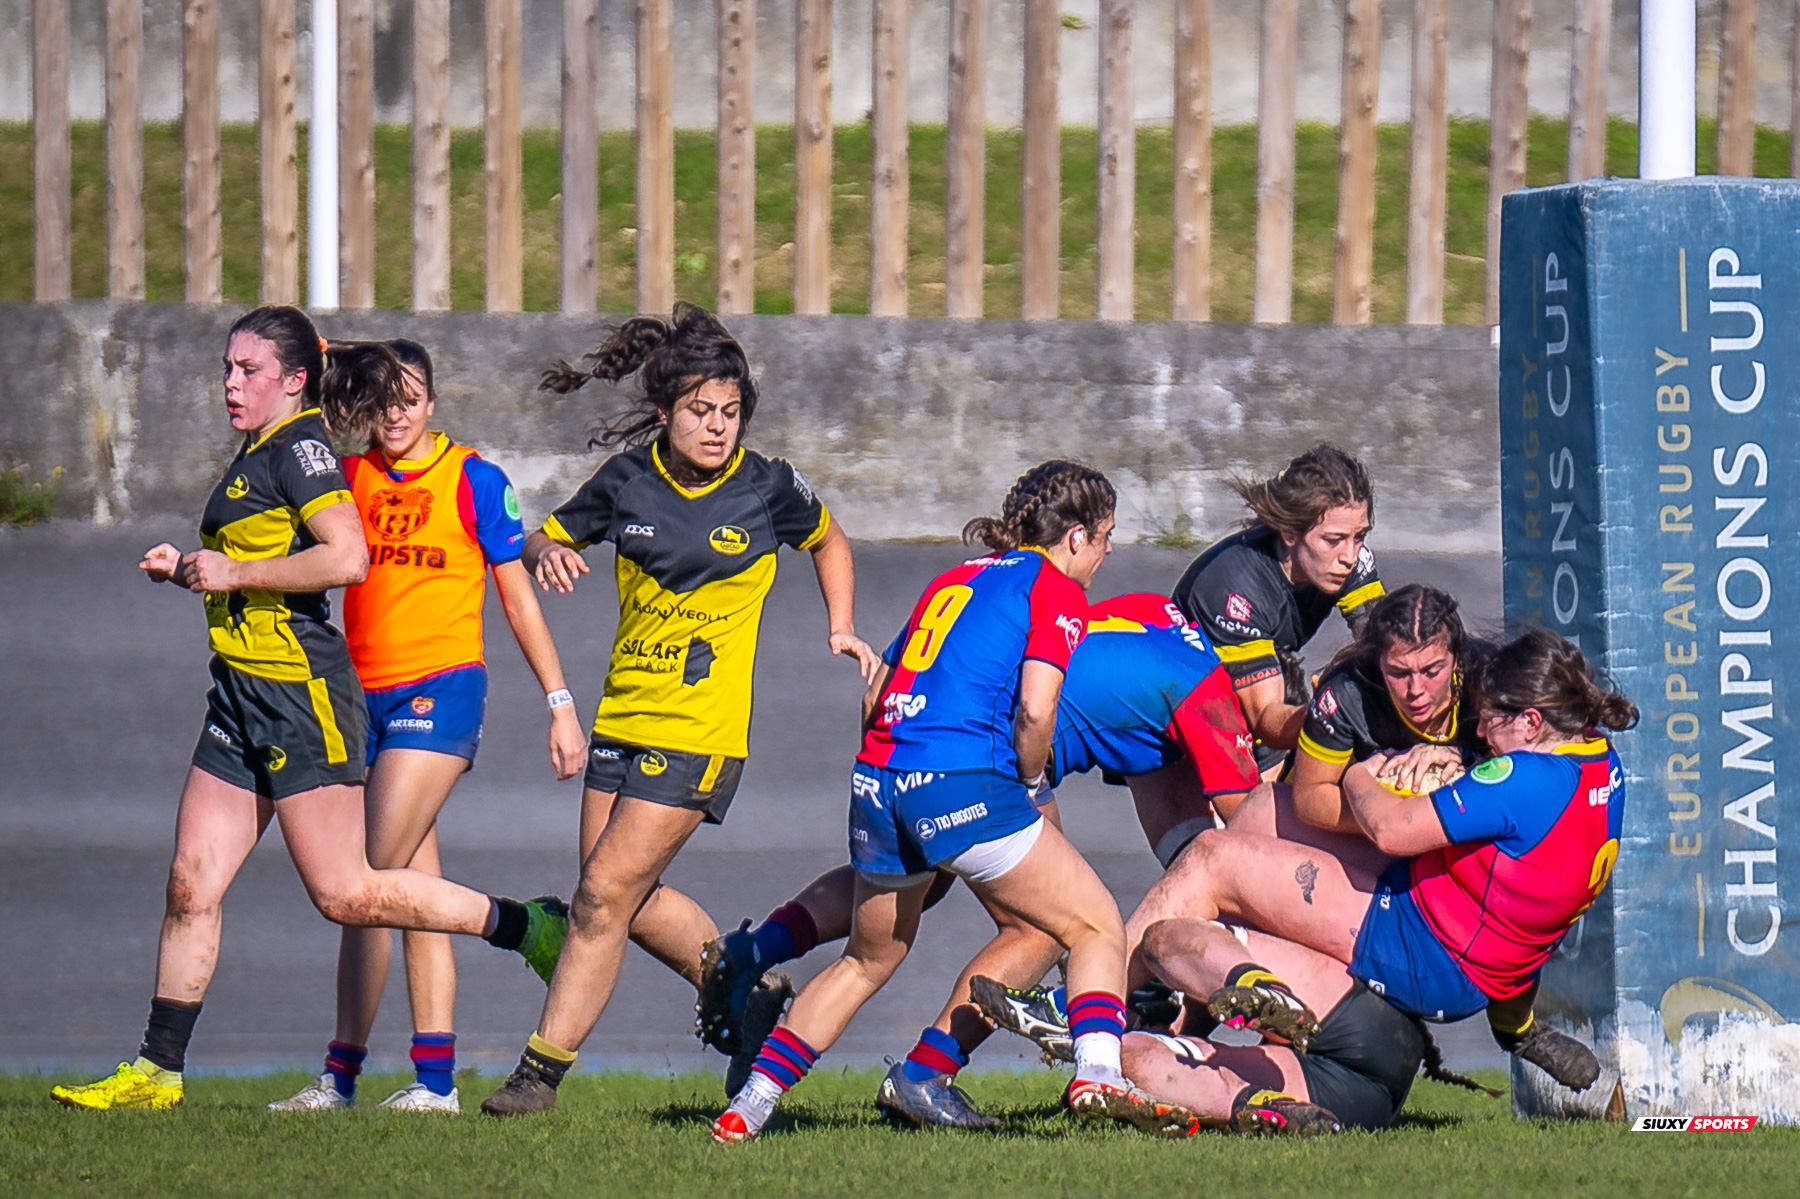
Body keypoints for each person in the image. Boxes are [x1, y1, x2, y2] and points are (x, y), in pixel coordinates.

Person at [50, 308, 568, 1113]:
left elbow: (346, 558)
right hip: (241, 694)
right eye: (227, 367)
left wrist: (234, 573)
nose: (230, 382)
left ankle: (523, 925)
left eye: (248, 369)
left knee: (351, 892)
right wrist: (189, 566)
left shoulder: (302, 448)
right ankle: (158, 1071)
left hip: (305, 695)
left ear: (294, 380)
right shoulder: (267, 449)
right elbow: (253, 555)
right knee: (192, 883)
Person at [710, 462, 1199, 1144]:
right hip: (965, 783)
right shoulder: (1054, 587)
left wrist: (895, 776)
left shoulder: (957, 577)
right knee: (1095, 926)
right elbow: (1035, 711)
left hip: (879, 777)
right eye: (1108, 536)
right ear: (1077, 535)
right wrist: (1025, 783)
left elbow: (876, 691)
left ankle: (747, 1109)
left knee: (867, 959)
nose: (1110, 552)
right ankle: (1097, 1073)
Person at [478, 303, 881, 1116]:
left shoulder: (767, 486)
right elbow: (542, 538)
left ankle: (538, 1074)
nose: (718, 427)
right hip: (622, 716)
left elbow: (830, 540)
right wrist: (550, 551)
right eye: (702, 411)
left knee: (598, 899)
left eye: (731, 413)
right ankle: (743, 984)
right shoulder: (628, 480)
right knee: (621, 898)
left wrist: (840, 624)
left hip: (701, 732)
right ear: (666, 411)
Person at [1039, 627, 1635, 1134]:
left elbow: (1390, 830)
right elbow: (1527, 907)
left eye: (1496, 718)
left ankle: (1084, 1009)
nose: (1480, 732)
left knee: (1210, 865)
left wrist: (1361, 772)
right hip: (1451, 953)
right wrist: (1519, 1029)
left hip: (1416, 945)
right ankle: (1154, 1026)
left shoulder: (1523, 778)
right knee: (1261, 815)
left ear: (1532, 722)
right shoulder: (1602, 770)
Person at [269, 338, 590, 1113]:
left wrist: (559, 702)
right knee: (404, 890)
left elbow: (516, 599)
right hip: (359, 700)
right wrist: (324, 351)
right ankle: (419, 1080)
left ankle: (520, 932)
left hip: (439, 693)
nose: (395, 415)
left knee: (367, 872)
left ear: (434, 403)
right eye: (382, 401)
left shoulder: (472, 478)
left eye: (410, 399)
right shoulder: (350, 479)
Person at [1170, 444, 1383, 777]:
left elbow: (1386, 649)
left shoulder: (1348, 558)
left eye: (1360, 536)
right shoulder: (1236, 586)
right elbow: (1265, 719)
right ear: (1289, 534)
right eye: (1333, 540)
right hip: (1187, 696)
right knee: (1264, 804)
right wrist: (1334, 715)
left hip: (1268, 668)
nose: (1350, 555)